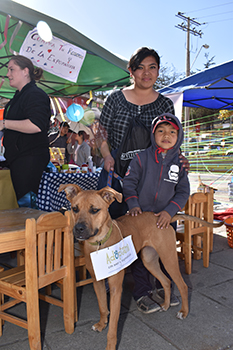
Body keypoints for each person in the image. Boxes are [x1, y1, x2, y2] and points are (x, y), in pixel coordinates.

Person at [98, 47, 189, 311]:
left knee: (148, 233)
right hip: (118, 176)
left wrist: (181, 160)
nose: (146, 73)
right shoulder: (115, 99)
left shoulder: (164, 103)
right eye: (141, 67)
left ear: (158, 71)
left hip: (152, 181)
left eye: (153, 67)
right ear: (132, 71)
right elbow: (101, 132)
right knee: (120, 233)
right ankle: (122, 287)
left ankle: (150, 288)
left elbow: (172, 137)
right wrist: (106, 155)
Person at [123, 113, 190, 313]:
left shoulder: (180, 163)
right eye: (160, 131)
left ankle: (164, 288)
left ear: (179, 136)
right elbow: (129, 182)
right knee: (139, 260)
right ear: (153, 135)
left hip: (164, 218)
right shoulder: (141, 158)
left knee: (167, 257)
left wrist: (170, 212)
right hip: (139, 218)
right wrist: (133, 204)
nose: (166, 135)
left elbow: (183, 191)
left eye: (172, 131)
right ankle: (142, 293)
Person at [0, 55, 51, 208]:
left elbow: (36, 125)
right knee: (22, 207)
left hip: (29, 159)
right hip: (19, 159)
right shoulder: (19, 96)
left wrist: (4, 123)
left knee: (27, 208)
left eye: (11, 69)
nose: (8, 74)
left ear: (25, 71)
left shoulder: (35, 94)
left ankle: (29, 231)